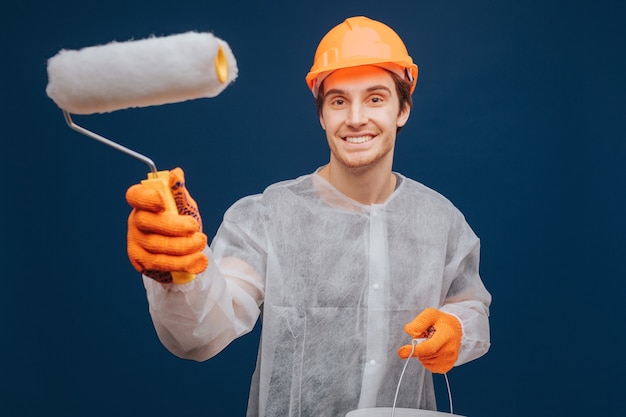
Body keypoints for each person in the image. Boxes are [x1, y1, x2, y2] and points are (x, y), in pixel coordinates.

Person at [125, 16, 491, 417]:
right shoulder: (267, 216)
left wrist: (458, 328)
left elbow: (469, 304)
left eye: (375, 98)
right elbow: (201, 332)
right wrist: (179, 276)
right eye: (338, 101)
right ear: (321, 115)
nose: (355, 118)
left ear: (403, 108)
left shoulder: (439, 220)